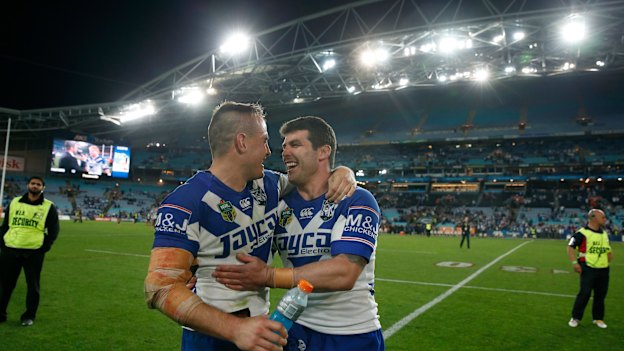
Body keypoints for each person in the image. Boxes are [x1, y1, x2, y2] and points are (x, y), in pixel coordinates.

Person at [143, 102, 356, 351]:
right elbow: (159, 288)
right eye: (264, 141)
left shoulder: (270, 184)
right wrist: (236, 329)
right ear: (242, 142)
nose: (268, 151)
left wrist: (343, 171)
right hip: (210, 340)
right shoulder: (186, 201)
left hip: (259, 332)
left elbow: (314, 177)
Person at [214, 116, 384, 351]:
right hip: (294, 330)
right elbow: (240, 251)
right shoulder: (277, 205)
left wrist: (269, 276)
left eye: (295, 144)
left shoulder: (356, 199)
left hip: (350, 334)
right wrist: (198, 267)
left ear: (323, 151)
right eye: (284, 146)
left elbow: (344, 273)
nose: (284, 152)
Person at [0, 176, 60, 326]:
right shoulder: (15, 202)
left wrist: (44, 247)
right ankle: (1, 313)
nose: (35, 186)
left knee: (32, 285)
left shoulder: (48, 206)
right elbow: (5, 225)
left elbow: (53, 230)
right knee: (4, 285)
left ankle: (29, 316)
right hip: (10, 249)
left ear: (42, 188)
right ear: (28, 185)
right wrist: (2, 243)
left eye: (38, 184)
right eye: (33, 183)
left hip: (33, 252)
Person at [567, 209, 613, 329]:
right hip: (588, 268)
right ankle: (576, 317)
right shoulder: (582, 233)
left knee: (600, 295)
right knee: (584, 293)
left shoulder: (604, 233)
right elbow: (570, 247)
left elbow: (608, 250)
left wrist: (608, 258)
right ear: (594, 218)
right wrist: (574, 263)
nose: (605, 219)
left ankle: (598, 318)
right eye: (602, 217)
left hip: (603, 269)